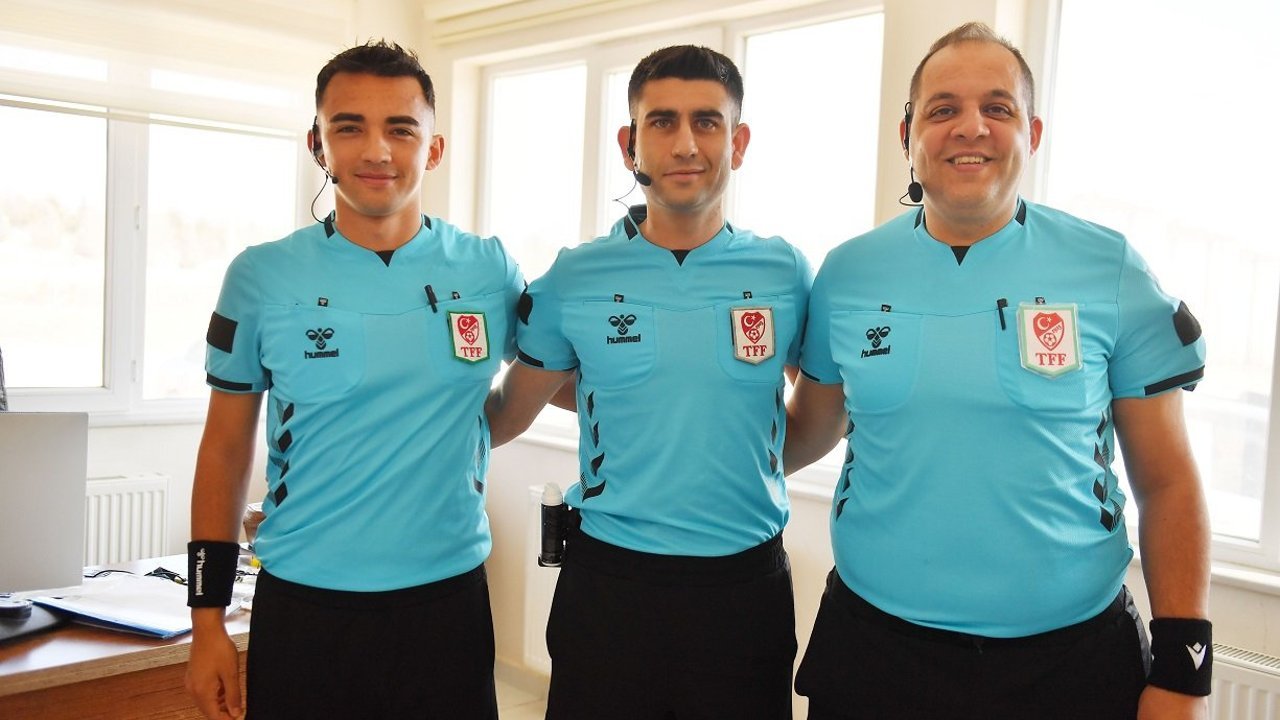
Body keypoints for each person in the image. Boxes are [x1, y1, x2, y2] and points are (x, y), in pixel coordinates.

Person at [784, 21, 1211, 720]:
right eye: (943, 108)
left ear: (1031, 134)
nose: (970, 127)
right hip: (875, 656)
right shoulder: (847, 273)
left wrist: (1184, 672)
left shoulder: (1109, 268)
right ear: (908, 135)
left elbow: (1167, 482)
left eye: (997, 107)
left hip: (1071, 667)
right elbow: (805, 431)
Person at [185, 40, 522, 720]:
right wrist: (206, 622)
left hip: (448, 605)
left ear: (433, 148)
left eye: (400, 129)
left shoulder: (488, 269)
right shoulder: (260, 277)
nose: (376, 151)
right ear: (318, 144)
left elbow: (550, 380)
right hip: (307, 610)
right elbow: (224, 448)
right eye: (349, 127)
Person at [485, 45, 811, 720]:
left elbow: (824, 408)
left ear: (738, 142)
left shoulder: (785, 272)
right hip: (610, 586)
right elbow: (512, 410)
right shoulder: (575, 276)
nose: (685, 143)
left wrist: (740, 465)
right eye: (662, 121)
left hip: (744, 588)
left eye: (707, 121)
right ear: (629, 143)